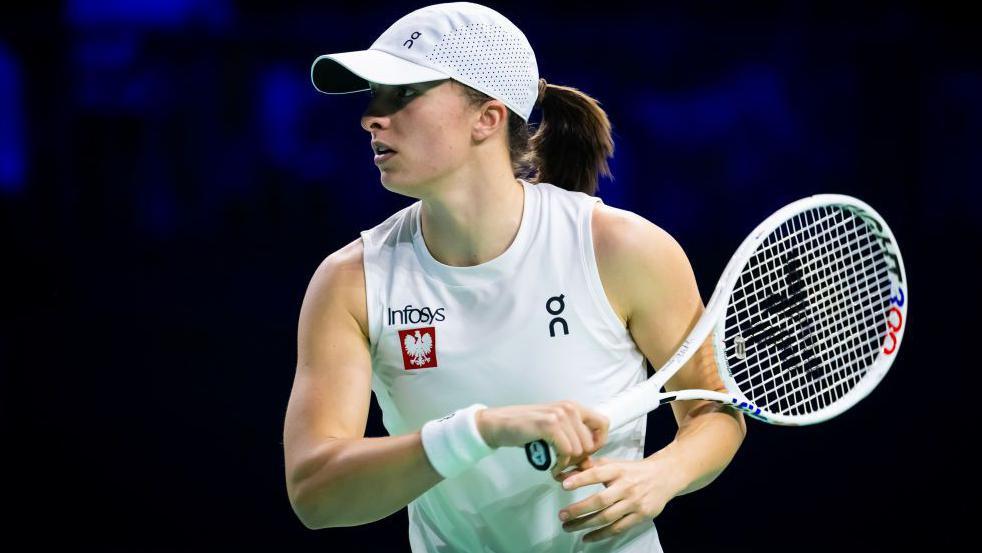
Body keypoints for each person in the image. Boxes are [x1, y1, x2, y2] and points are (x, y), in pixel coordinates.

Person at [283, 3, 746, 551]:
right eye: (373, 97)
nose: (372, 117)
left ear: (488, 117)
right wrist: (476, 431)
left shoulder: (621, 248)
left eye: (403, 93)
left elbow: (713, 412)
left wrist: (660, 476)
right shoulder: (350, 282)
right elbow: (315, 493)